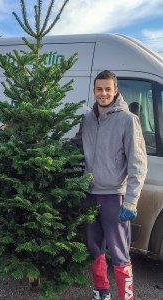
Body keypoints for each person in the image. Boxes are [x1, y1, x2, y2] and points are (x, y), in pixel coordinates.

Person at [73, 70, 147, 300]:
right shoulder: (87, 119)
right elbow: (76, 145)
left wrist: (132, 200)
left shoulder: (127, 120)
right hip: (90, 193)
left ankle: (126, 296)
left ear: (115, 90)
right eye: (99, 89)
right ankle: (101, 291)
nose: (103, 93)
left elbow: (138, 163)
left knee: (119, 251)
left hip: (114, 196)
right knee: (95, 247)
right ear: (94, 91)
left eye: (108, 89)